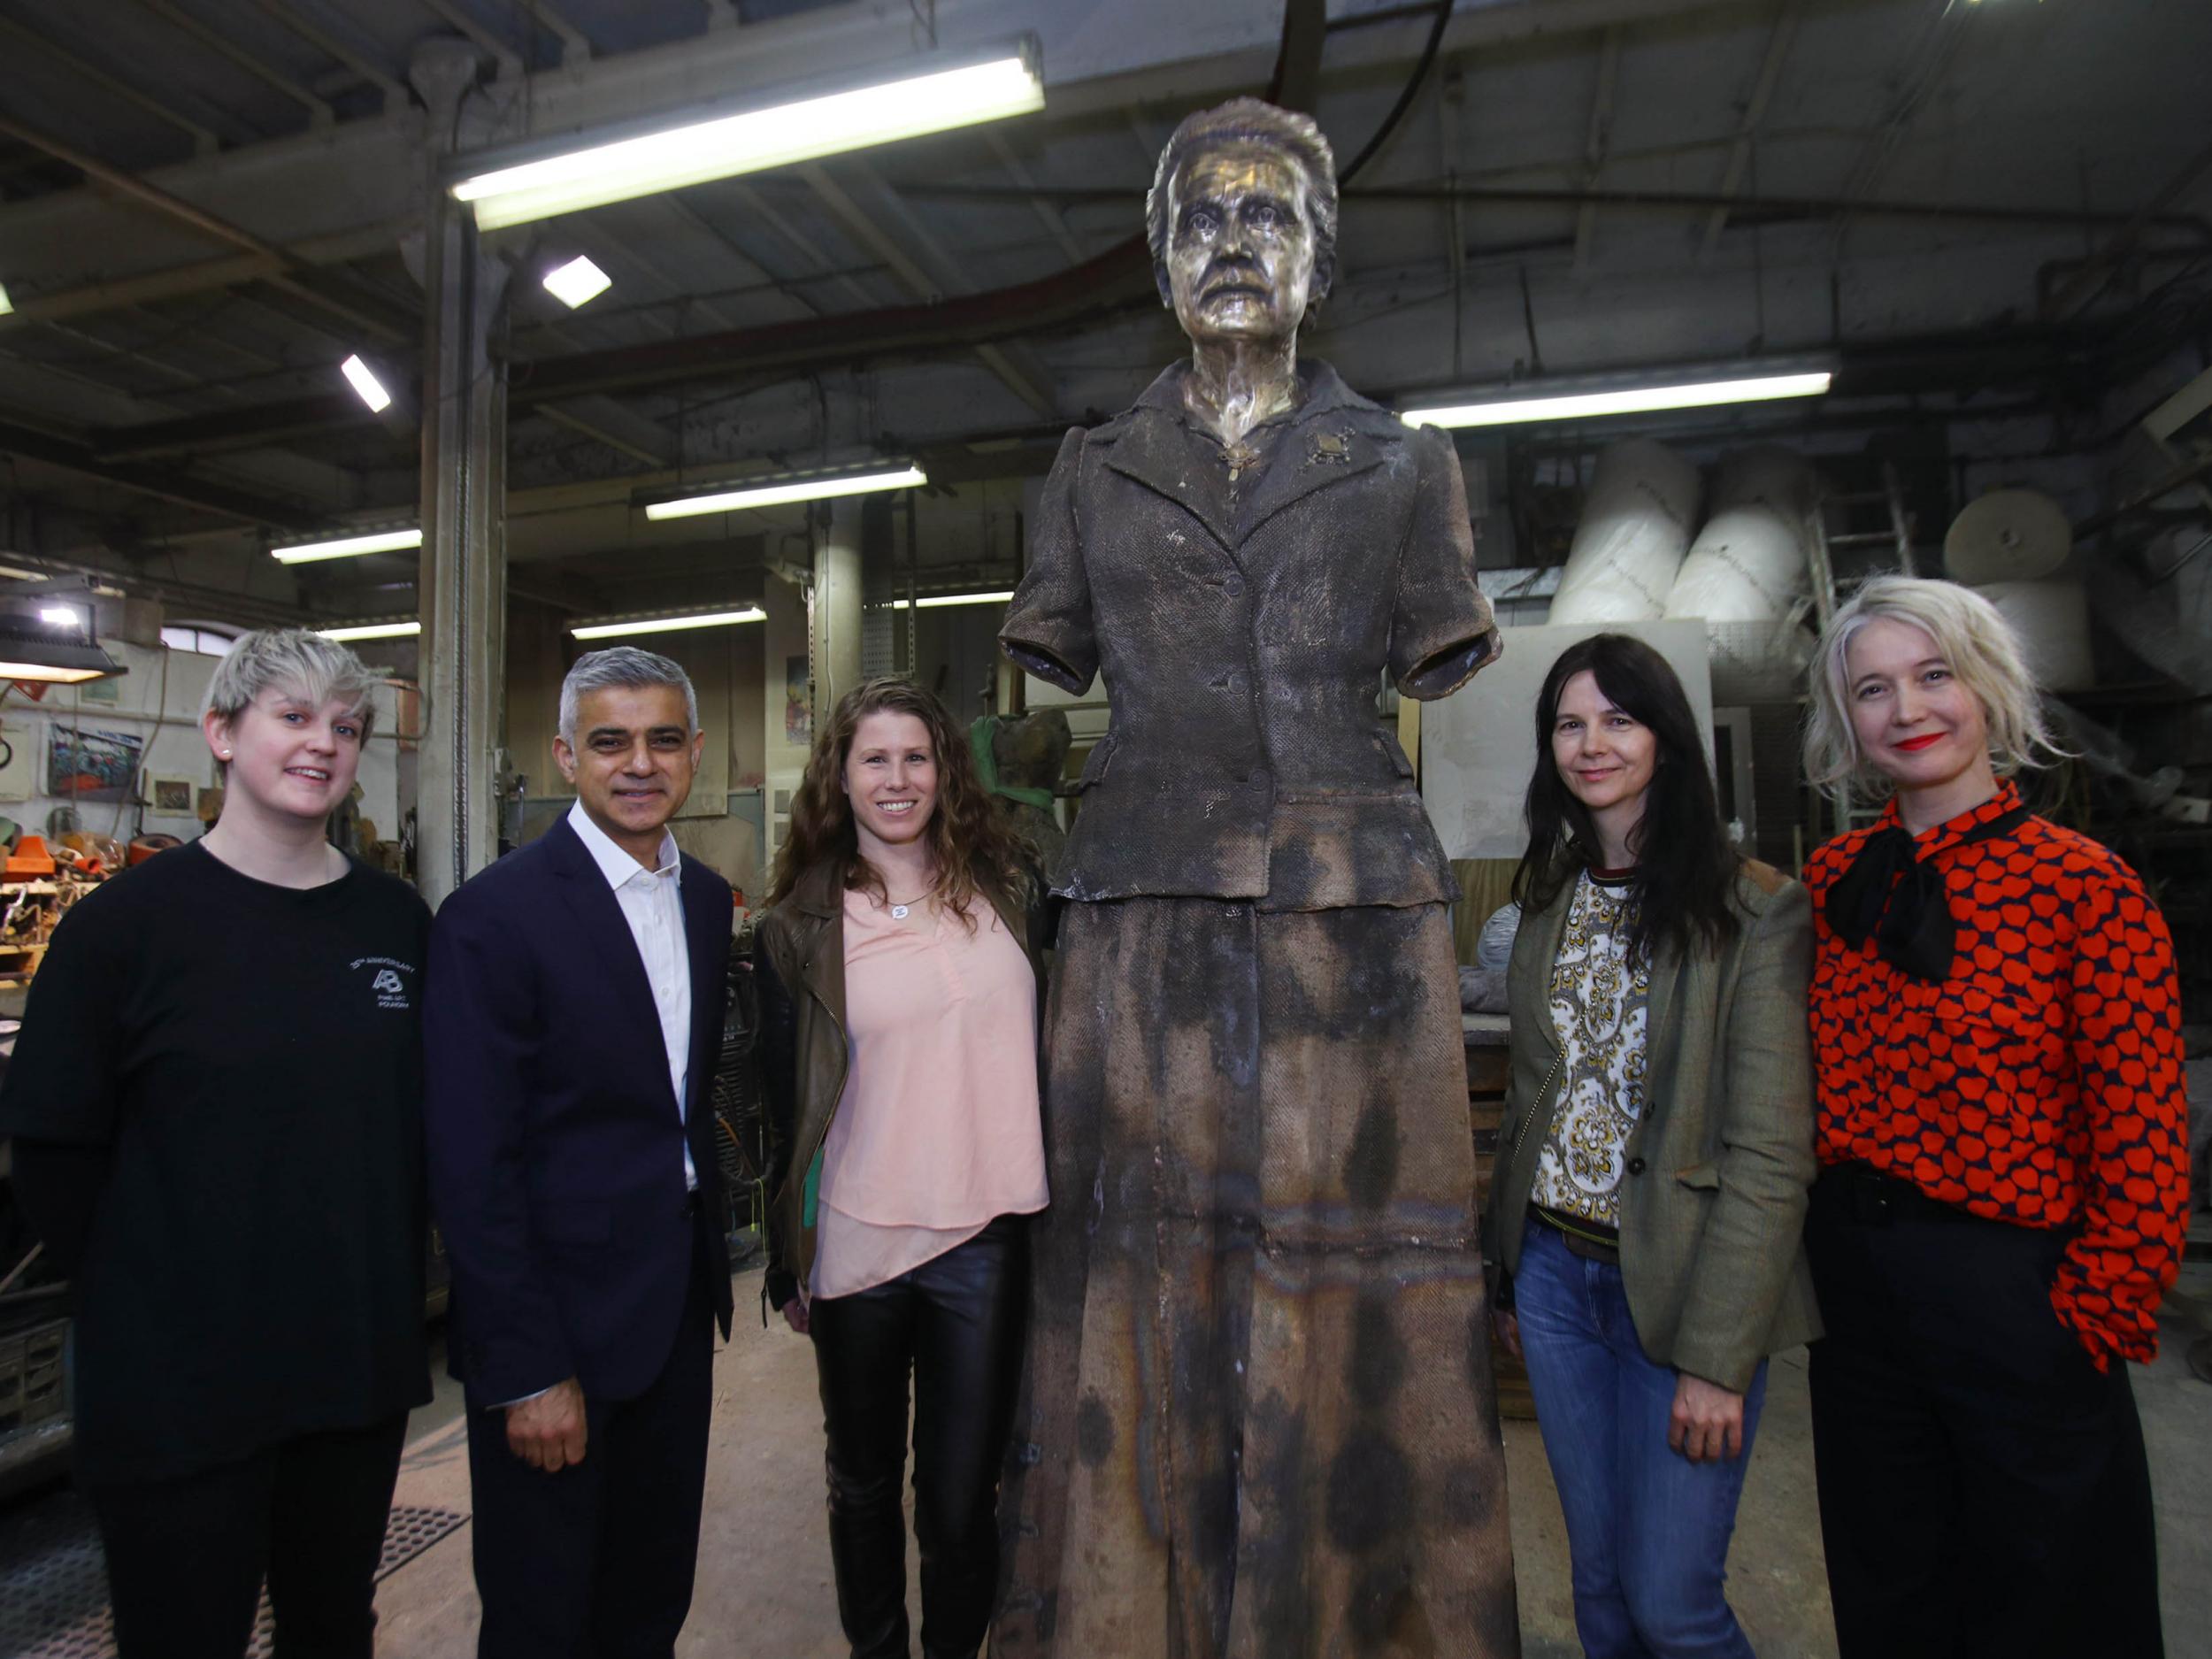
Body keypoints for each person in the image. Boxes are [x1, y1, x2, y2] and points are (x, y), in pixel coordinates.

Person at [992, 98, 1515, 1658]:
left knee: (1364, 1276)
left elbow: (1436, 636)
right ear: (1159, 260)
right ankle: (1132, 1609)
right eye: (1201, 219)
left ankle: (1365, 1612)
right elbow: (1057, 647)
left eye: (1266, 215)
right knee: (1134, 1269)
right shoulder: (1090, 471)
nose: (1233, 244)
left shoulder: (1404, 466)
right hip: (1140, 902)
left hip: (1350, 914)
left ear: (1319, 256)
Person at [0, 629, 429, 1655]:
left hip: (348, 1368)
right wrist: (153, 1289)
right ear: (222, 733)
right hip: (180, 1384)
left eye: (344, 725)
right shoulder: (122, 929)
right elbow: (55, 1147)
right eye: (291, 717)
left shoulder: (397, 921)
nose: (322, 743)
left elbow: (417, 1123)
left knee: (333, 1626)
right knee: (184, 1632)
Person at [1799, 576, 2187, 1658]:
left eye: (1934, 676)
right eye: (1872, 689)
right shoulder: (1834, 884)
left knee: (2050, 1594)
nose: (1907, 709)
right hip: (1859, 1293)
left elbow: (2144, 1135)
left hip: (2018, 1289)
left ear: (1988, 689)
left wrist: (2088, 1316)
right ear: (1847, 723)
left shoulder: (2085, 889)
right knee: (1890, 1582)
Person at [1481, 634, 1818, 1659]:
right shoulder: (1545, 901)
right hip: (1551, 1281)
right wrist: (1507, 1277)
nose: (1592, 745)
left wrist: (1717, 1360)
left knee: (1673, 1602)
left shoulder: (1753, 909)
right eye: (1569, 723)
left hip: (1678, 1294)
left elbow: (1768, 1153)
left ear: (1665, 739)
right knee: (1598, 1585)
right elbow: (1536, 1102)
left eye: (1618, 720)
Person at [424, 646, 734, 1657]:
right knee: (542, 1614)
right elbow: (474, 1164)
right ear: (566, 756)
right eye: (610, 742)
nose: (638, 764)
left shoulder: (705, 900)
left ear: (693, 753)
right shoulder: (493, 917)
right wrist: (523, 1371)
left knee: (649, 1601)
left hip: (673, 1311)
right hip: (557, 1330)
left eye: (662, 740)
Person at [754, 677, 1048, 1659]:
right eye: (873, 758)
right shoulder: (799, 926)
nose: (896, 778)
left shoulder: (1008, 888)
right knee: (864, 1481)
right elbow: (782, 1111)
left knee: (962, 1501)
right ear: (840, 776)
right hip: (858, 1238)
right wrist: (786, 1251)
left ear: (945, 770)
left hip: (986, 1237)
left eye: (915, 757)